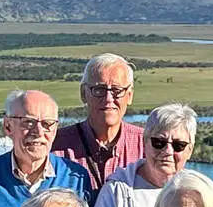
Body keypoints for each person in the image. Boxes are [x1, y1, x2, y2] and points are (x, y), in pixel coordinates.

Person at [51, 53, 145, 193]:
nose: (108, 99)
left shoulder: (147, 146)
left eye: (116, 90)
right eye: (99, 90)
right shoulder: (55, 147)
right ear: (83, 93)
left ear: (129, 95)